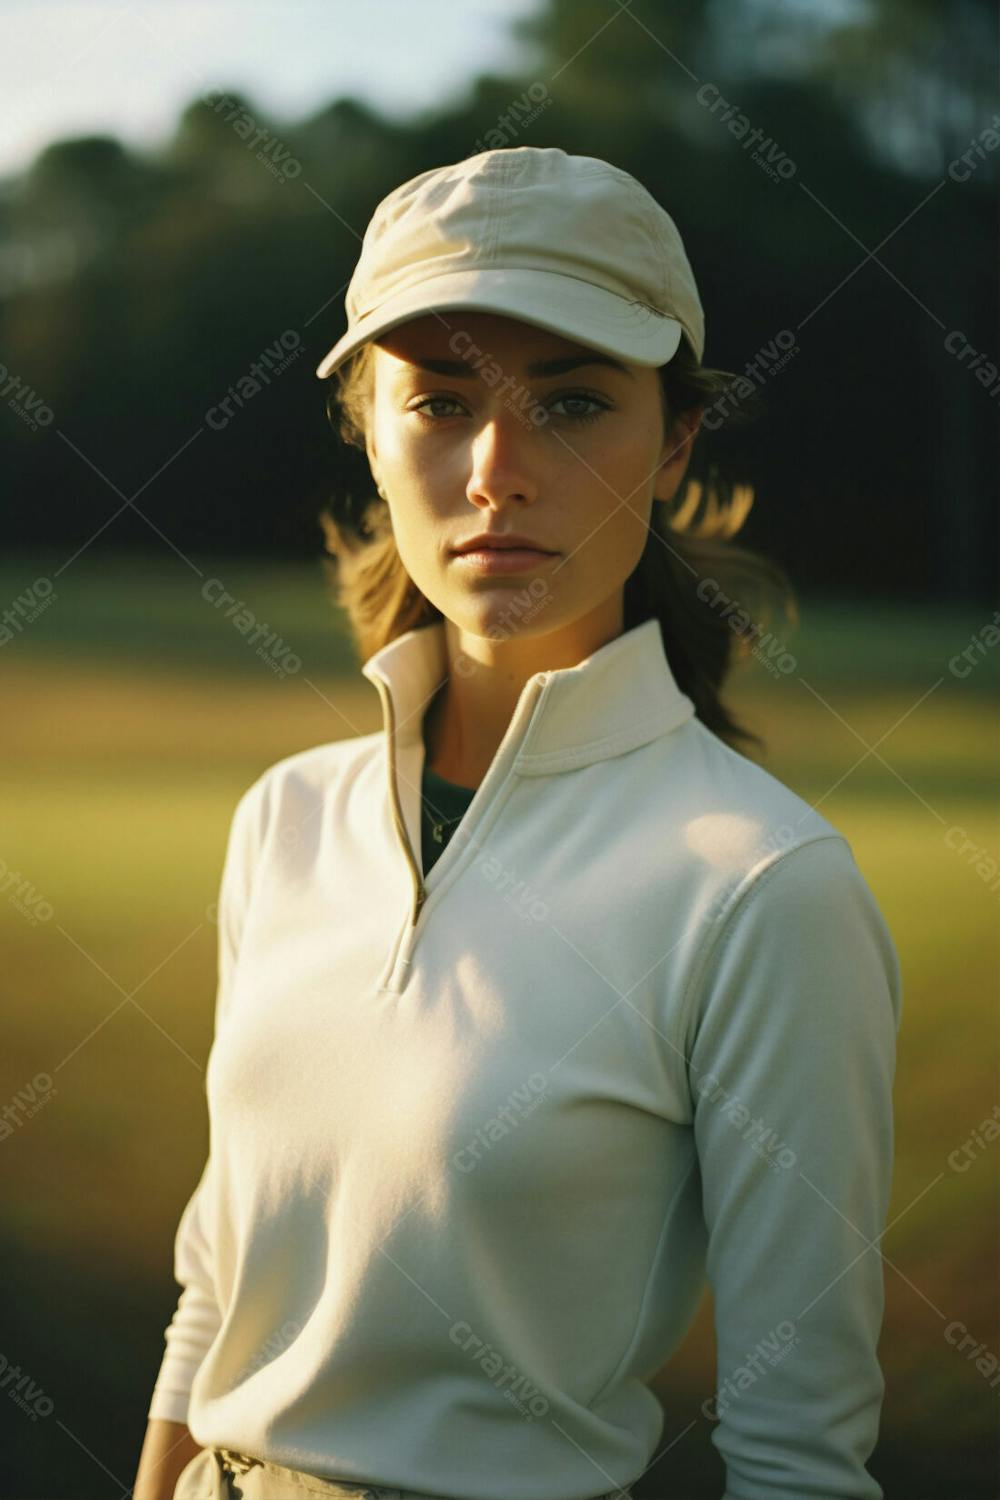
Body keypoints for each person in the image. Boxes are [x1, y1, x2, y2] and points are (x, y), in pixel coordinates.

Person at [133, 147, 902, 1500]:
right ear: (371, 437)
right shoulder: (287, 818)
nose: (498, 472)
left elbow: (799, 1450)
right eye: (436, 401)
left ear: (672, 444)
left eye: (571, 402)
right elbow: (220, 1279)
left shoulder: (763, 884)